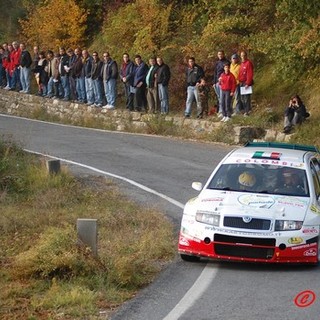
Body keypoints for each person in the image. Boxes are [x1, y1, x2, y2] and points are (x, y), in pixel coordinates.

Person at [213, 50, 230, 116]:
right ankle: (221, 110)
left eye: (221, 54)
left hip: (223, 82)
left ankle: (223, 111)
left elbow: (227, 72)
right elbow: (215, 72)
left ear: (223, 54)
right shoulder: (217, 63)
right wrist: (214, 82)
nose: (220, 55)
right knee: (219, 97)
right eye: (219, 54)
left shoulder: (227, 62)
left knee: (223, 98)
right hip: (217, 82)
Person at [239, 50, 254, 116]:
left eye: (244, 55)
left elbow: (250, 74)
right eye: (242, 56)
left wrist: (248, 83)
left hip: (246, 83)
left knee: (246, 98)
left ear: (246, 56)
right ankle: (245, 110)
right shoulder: (242, 64)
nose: (243, 57)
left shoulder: (248, 63)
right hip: (242, 83)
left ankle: (247, 111)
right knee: (242, 98)